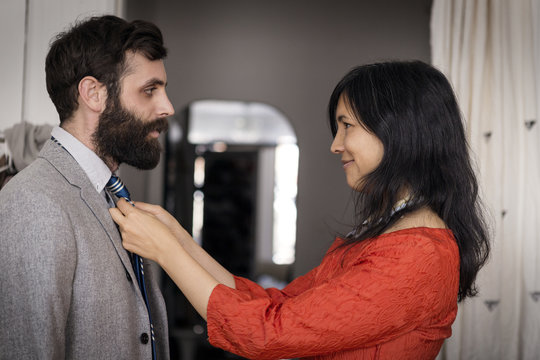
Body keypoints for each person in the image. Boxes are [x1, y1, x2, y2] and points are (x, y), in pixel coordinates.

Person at [110, 61, 490, 359]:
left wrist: (167, 252)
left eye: (346, 126)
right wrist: (177, 236)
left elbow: (266, 331)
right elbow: (277, 306)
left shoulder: (417, 255)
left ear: (398, 133)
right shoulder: (396, 234)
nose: (335, 145)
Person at [0, 15, 174, 359]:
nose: (167, 107)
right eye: (149, 90)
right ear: (93, 94)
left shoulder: (109, 192)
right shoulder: (34, 203)